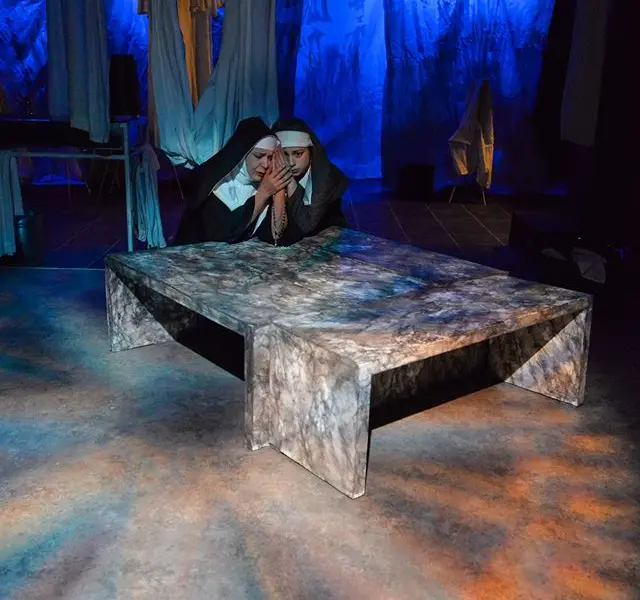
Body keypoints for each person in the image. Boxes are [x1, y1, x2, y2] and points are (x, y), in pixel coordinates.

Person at [173, 117, 293, 245]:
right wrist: (263, 194)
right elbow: (224, 234)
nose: (265, 164)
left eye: (270, 158)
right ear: (243, 154)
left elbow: (275, 236)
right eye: (259, 156)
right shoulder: (217, 185)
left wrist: (279, 189)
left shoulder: (263, 184)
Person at [271, 117, 348, 245]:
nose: (291, 162)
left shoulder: (325, 177)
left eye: (298, 154)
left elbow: (306, 224)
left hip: (329, 238)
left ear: (310, 151)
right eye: (285, 154)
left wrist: (290, 182)